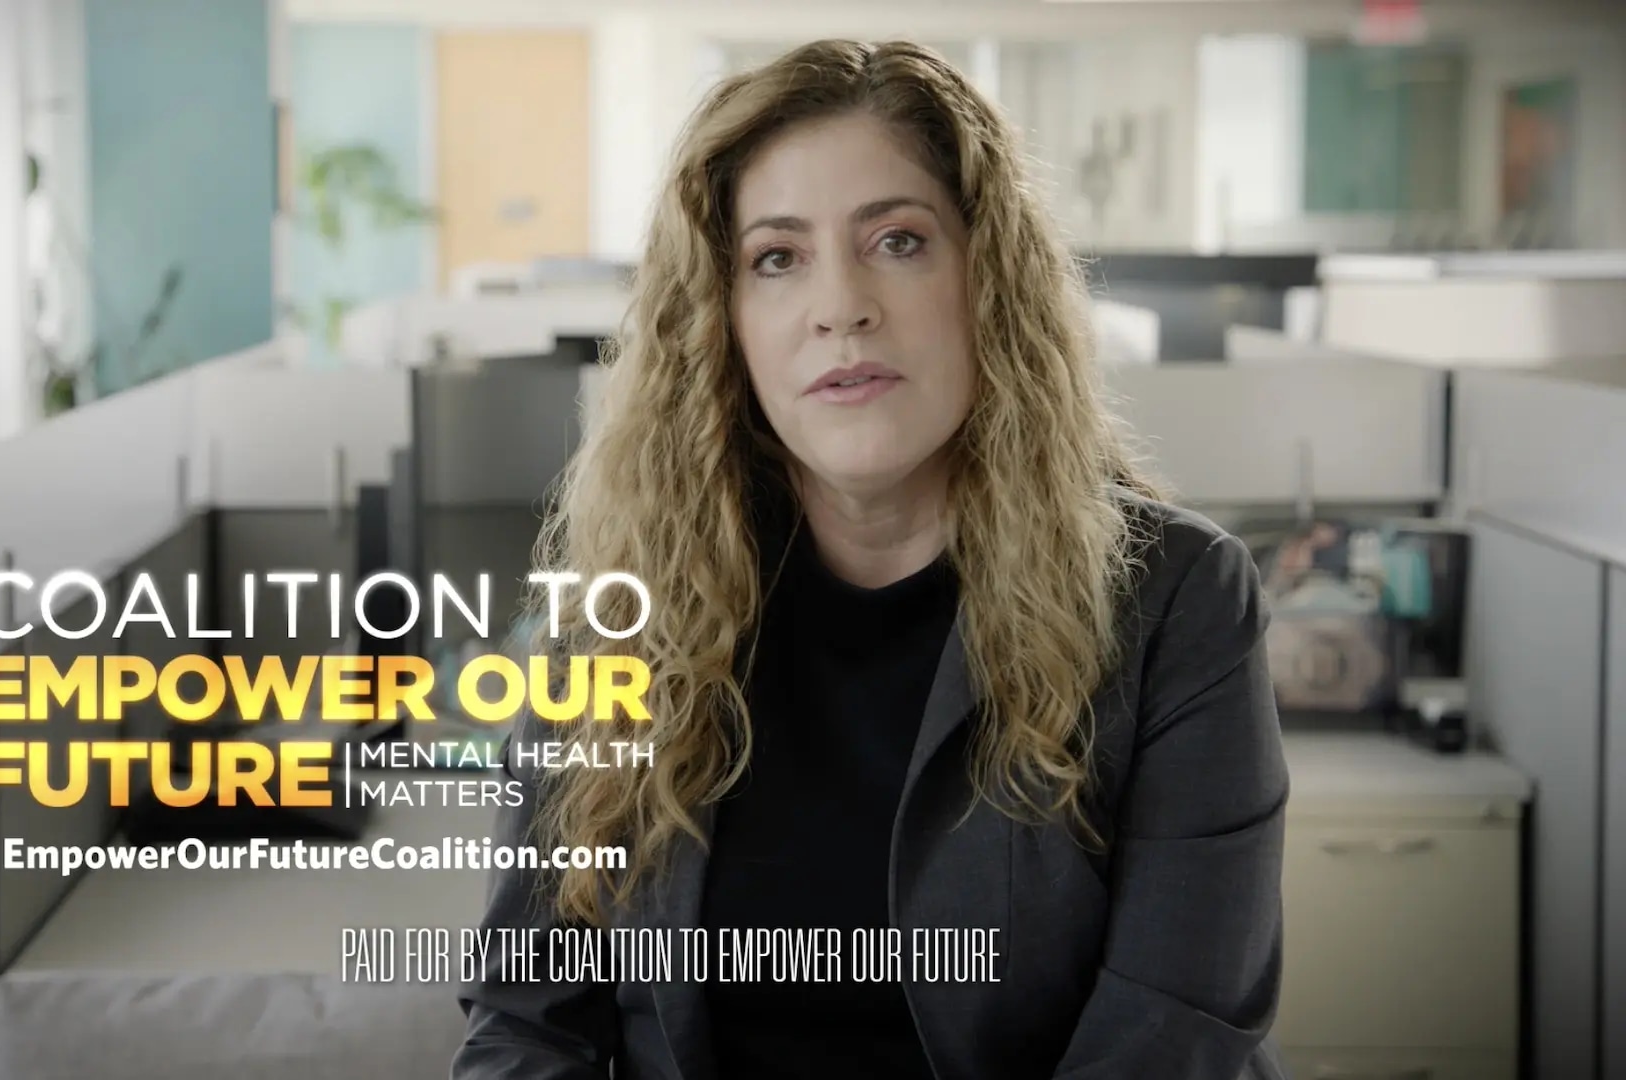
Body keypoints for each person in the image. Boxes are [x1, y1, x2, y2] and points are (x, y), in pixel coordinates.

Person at [453, 38, 1288, 1080]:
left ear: (986, 281)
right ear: (724, 325)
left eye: (897, 241)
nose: (839, 306)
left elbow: (1177, 1034)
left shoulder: (1173, 598)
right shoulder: (619, 614)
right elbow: (527, 1024)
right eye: (776, 257)